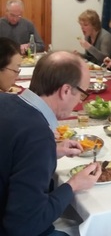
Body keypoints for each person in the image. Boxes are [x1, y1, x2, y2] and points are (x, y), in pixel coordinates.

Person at [0, 51, 102, 235]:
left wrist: (50, 152)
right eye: (81, 94)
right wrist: (73, 185)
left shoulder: (4, 100)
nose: (79, 103)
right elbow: (24, 226)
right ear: (65, 91)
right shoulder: (37, 134)